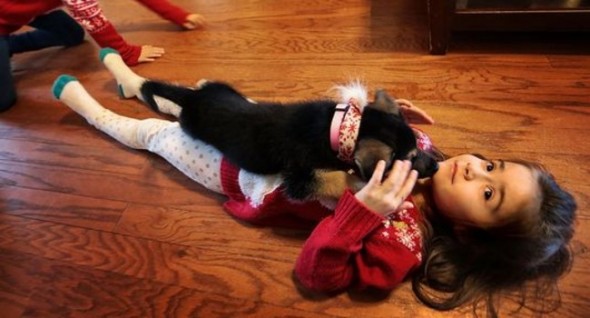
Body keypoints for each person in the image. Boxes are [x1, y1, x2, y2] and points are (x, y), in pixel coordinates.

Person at [51, 48, 577, 316]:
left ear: (468, 234)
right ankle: (137, 83)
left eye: (489, 194)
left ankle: (95, 111)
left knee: (158, 137)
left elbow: (317, 275)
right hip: (274, 132)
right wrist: (387, 115)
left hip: (244, 174)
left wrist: (361, 213)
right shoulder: (429, 157)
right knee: (209, 102)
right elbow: (368, 132)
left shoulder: (404, 242)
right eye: (493, 164)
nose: (475, 168)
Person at [0, 0, 206, 111]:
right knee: (4, 102)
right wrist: (126, 53)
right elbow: (92, 18)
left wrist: (178, 15)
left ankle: (8, 44)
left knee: (72, 34)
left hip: (22, 11)